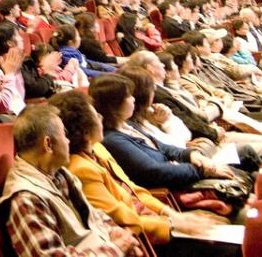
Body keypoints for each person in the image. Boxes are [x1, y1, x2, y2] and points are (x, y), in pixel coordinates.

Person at [51, 90, 237, 255]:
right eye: (95, 115)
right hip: (143, 237)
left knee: (225, 227)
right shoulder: (80, 169)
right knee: (228, 247)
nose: (100, 118)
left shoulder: (98, 148)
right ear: (83, 128)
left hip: (154, 219)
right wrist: (173, 224)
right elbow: (120, 218)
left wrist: (172, 214)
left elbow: (134, 191)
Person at [0, 105, 143, 257]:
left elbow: (93, 216)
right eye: (64, 134)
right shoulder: (25, 199)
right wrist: (116, 249)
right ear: (48, 144)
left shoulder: (57, 174)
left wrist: (115, 232)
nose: (68, 141)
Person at [90, 74, 231, 190]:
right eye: (128, 96)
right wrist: (201, 170)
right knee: (243, 159)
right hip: (177, 186)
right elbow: (153, 172)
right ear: (115, 104)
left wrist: (190, 154)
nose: (133, 99)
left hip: (184, 171)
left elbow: (163, 147)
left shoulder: (128, 125)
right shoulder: (113, 140)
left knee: (244, 155)